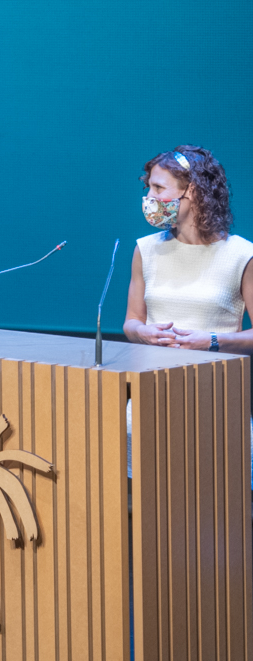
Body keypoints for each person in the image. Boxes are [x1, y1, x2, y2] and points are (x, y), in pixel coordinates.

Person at [123, 145, 253, 487]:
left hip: (215, 406)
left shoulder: (241, 255)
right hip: (150, 401)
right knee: (140, 502)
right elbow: (132, 321)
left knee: (215, 503)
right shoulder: (146, 249)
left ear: (192, 191)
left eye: (158, 188)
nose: (149, 198)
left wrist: (211, 341)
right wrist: (143, 333)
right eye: (148, 187)